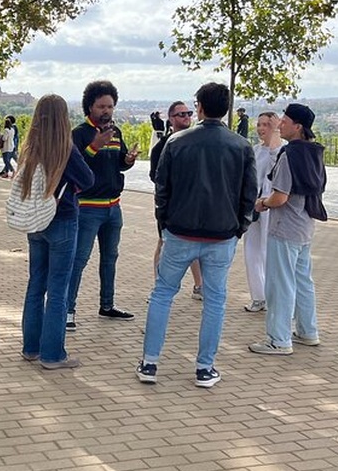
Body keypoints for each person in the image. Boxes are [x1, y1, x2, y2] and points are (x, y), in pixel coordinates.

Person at [137, 82, 256, 387]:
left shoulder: (177, 142)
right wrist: (239, 228)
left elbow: (162, 189)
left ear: (199, 107)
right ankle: (205, 367)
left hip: (180, 231)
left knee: (162, 294)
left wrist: (164, 225)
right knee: (215, 300)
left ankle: (149, 363)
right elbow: (248, 194)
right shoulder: (241, 146)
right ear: (226, 108)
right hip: (221, 235)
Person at [19, 94, 95, 370]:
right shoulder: (66, 148)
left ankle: (31, 348)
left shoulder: (30, 147)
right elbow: (88, 179)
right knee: (59, 289)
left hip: (35, 221)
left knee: (35, 285)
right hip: (62, 220)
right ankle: (53, 355)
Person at [249, 103, 327, 355]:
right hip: (305, 226)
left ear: (298, 127)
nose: (280, 124)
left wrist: (262, 203)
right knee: (303, 280)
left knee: (280, 284)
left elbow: (279, 197)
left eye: (285, 121)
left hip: (284, 227)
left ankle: (278, 339)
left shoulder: (289, 155)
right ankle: (307, 330)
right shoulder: (315, 152)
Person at [65, 80, 138, 331]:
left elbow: (119, 164)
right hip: (87, 208)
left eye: (110, 106)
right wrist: (94, 146)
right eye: (101, 106)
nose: (106, 111)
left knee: (110, 258)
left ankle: (107, 305)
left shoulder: (116, 132)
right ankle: (67, 310)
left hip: (113, 208)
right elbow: (75, 166)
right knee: (79, 259)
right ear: (90, 107)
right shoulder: (79, 133)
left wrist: (128, 160)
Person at [148, 101, 203, 299]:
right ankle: (159, 284)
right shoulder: (162, 147)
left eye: (189, 113)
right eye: (181, 114)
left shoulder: (197, 142)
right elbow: (155, 176)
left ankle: (199, 285)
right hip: (169, 205)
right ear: (171, 119)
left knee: (195, 244)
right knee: (164, 242)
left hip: (193, 204)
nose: (186, 117)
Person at [242, 112, 284, 312]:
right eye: (259, 124)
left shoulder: (281, 150)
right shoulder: (255, 150)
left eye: (267, 124)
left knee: (268, 250)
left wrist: (275, 136)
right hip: (254, 204)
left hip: (271, 204)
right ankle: (258, 296)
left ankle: (273, 297)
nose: (261, 128)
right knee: (252, 250)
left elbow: (275, 165)